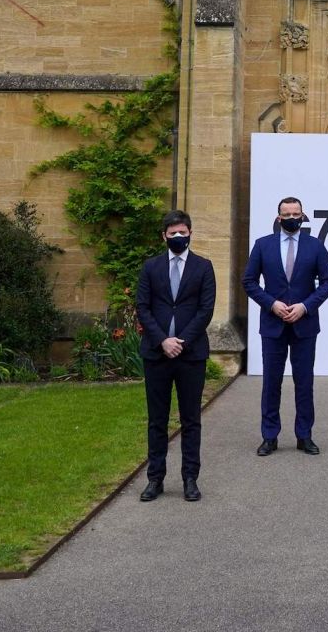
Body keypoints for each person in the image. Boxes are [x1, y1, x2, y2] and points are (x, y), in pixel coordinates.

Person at [135, 210, 217, 502]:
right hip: (157, 354)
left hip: (190, 354)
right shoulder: (151, 267)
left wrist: (181, 341)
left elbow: (205, 310)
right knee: (157, 420)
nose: (178, 237)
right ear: (164, 236)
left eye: (183, 232)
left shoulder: (204, 267)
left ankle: (190, 478)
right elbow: (143, 307)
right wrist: (163, 341)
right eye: (173, 234)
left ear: (191, 233)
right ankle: (155, 479)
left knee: (191, 419)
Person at [244, 197, 328, 456]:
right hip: (272, 325)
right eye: (287, 213)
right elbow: (249, 281)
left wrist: (305, 306)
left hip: (304, 326)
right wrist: (271, 304)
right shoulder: (263, 246)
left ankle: (304, 436)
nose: (292, 217)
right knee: (271, 383)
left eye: (296, 213)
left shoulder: (315, 246)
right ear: (278, 217)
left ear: (303, 216)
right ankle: (269, 436)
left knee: (304, 383)